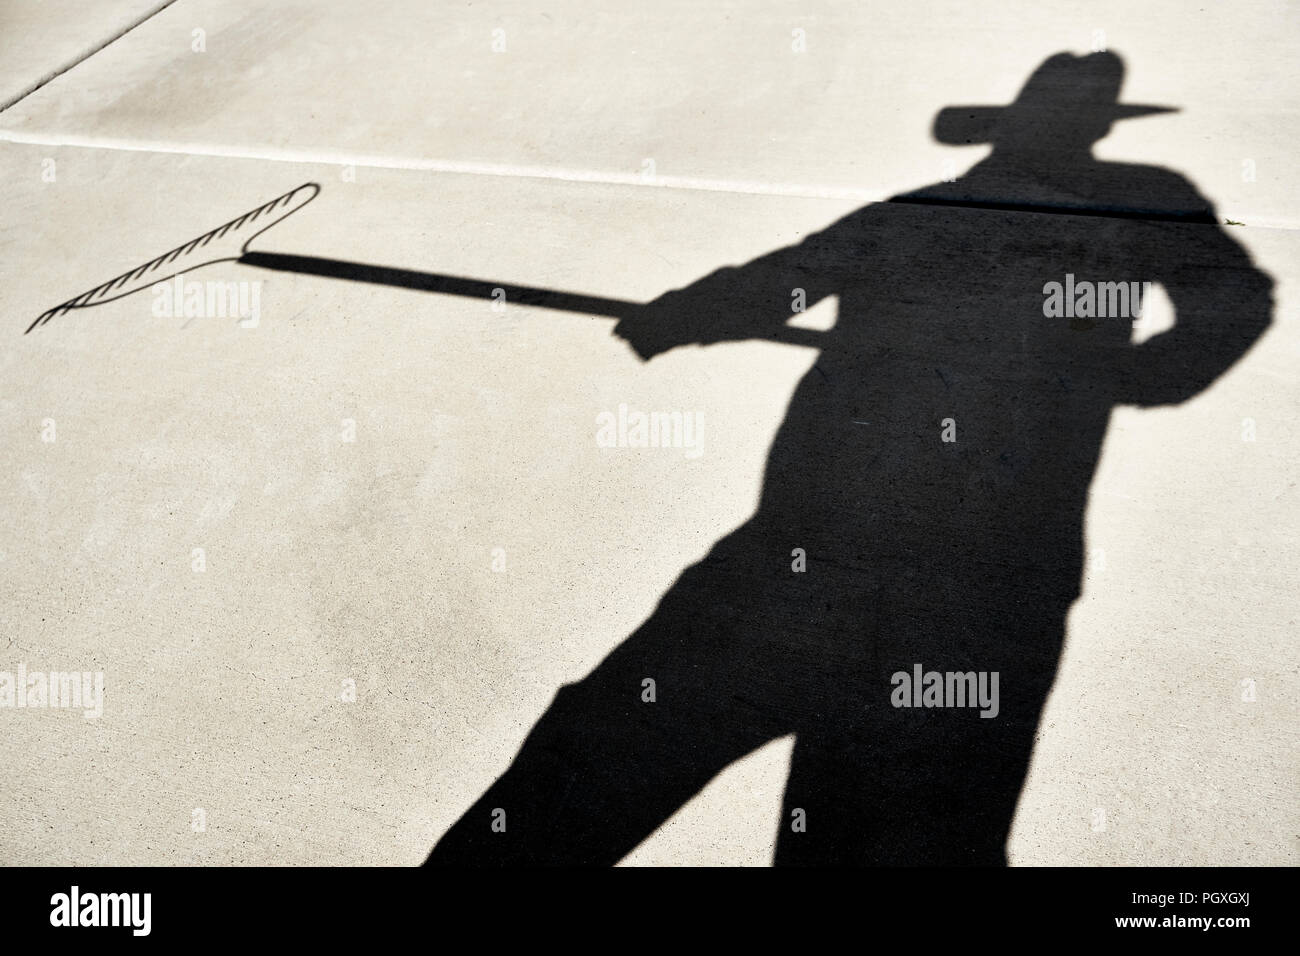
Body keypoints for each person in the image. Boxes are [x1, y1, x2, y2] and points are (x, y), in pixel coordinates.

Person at [427, 51, 1273, 865]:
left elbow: (783, 283)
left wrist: (1134, 375)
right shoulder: (991, 214)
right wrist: (684, 313)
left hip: (863, 570)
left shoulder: (1010, 212)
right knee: (621, 769)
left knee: (606, 769)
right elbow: (784, 282)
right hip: (904, 577)